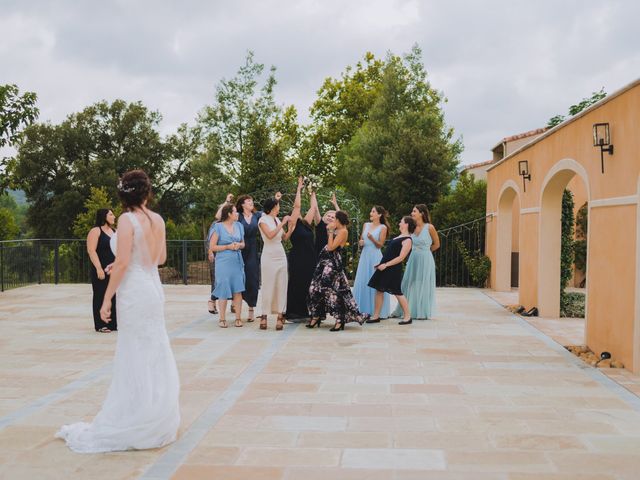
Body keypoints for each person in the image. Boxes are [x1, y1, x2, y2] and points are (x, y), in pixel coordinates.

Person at [56, 169, 180, 453]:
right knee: (154, 348)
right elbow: (159, 259)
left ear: (124, 194)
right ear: (147, 192)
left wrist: (106, 298)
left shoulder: (126, 219)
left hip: (134, 291)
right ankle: (156, 417)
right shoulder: (158, 220)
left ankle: (135, 416)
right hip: (152, 288)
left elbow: (123, 262)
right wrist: (128, 263)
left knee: (133, 350)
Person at [307, 211, 369, 331]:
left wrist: (330, 232)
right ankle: (316, 315)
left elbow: (331, 247)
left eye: (334, 219)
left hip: (332, 263)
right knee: (314, 288)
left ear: (339, 220)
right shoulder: (336, 229)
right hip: (323, 261)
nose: (332, 221)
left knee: (331, 291)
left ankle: (339, 320)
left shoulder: (343, 231)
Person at [392, 204, 440, 320]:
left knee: (423, 284)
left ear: (421, 213)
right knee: (408, 283)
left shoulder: (429, 227)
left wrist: (425, 252)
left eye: (414, 211)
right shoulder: (411, 228)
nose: (412, 213)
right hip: (413, 258)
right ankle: (403, 310)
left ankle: (421, 312)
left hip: (425, 259)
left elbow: (437, 244)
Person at [368, 216, 416, 325]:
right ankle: (376, 316)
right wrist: (381, 264)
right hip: (385, 267)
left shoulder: (408, 240)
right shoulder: (399, 237)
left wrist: (385, 265)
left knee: (397, 292)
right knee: (379, 289)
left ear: (406, 224)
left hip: (392, 269)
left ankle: (408, 317)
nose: (399, 223)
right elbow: (390, 253)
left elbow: (401, 258)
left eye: (401, 221)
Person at [286, 177, 317, 321]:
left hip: (310, 258)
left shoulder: (305, 223)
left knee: (308, 284)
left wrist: (313, 191)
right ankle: (294, 312)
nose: (298, 211)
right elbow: (297, 207)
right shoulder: (292, 224)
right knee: (297, 283)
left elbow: (313, 208)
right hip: (297, 257)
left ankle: (306, 311)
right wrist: (299, 188)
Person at [210, 204, 246, 328]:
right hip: (223, 262)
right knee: (223, 289)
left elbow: (243, 243)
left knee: (238, 289)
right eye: (235, 212)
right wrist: (227, 246)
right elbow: (212, 247)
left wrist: (238, 245)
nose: (238, 214)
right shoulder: (218, 227)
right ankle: (222, 318)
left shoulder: (239, 226)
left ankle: (238, 318)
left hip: (237, 261)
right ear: (229, 214)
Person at [257, 197, 290, 330]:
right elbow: (270, 235)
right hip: (268, 254)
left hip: (280, 254)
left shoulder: (277, 220)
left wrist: (291, 226)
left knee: (282, 285)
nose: (279, 207)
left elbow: (285, 237)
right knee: (267, 285)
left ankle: (280, 316)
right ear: (272, 207)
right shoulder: (262, 220)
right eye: (278, 205)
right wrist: (282, 224)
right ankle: (264, 315)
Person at [353, 206, 391, 319]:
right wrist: (361, 242)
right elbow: (362, 240)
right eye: (371, 211)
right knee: (363, 280)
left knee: (375, 282)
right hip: (365, 256)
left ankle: (376, 312)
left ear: (379, 215)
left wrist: (372, 238)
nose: (371, 213)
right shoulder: (366, 225)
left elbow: (380, 245)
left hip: (375, 256)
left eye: (373, 211)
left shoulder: (383, 227)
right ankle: (362, 309)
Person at [87, 209, 118, 333]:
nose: (114, 216)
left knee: (114, 296)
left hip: (114, 269)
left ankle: (112, 323)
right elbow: (91, 250)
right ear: (104, 216)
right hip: (101, 268)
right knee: (100, 294)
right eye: (111, 214)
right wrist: (99, 268)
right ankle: (101, 324)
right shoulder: (95, 231)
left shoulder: (115, 232)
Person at [312, 191, 340, 257]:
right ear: (324, 216)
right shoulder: (320, 224)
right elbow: (315, 209)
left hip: (332, 258)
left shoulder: (337, 229)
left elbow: (342, 218)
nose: (330, 218)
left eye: (333, 217)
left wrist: (335, 204)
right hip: (318, 256)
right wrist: (313, 194)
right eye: (328, 216)